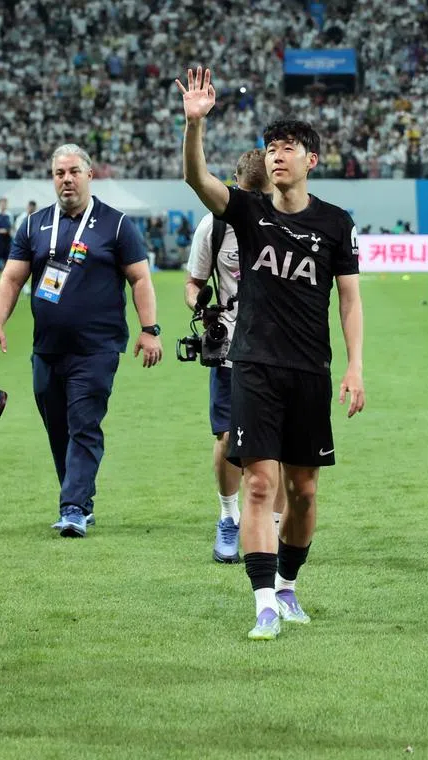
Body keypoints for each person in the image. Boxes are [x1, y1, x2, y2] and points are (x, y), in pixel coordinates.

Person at [177, 67, 366, 640]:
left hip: (310, 370)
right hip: (252, 365)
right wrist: (195, 126)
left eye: (289, 149)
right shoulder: (246, 212)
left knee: (304, 492)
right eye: (272, 148)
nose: (277, 156)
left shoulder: (335, 224)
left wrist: (356, 366)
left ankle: (287, 586)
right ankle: (262, 602)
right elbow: (198, 181)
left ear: (312, 159)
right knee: (260, 485)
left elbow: (350, 301)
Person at [0, 144, 162, 537]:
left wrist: (150, 330)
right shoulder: (33, 225)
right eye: (59, 173)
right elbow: (11, 279)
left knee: (84, 424)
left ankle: (74, 507)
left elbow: (140, 279)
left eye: (73, 171)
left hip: (96, 349)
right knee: (58, 428)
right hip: (46, 349)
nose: (66, 179)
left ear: (89, 174)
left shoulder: (116, 225)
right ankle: (79, 496)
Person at [184, 148, 285, 563]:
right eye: (246, 192)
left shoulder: (288, 223)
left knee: (280, 445)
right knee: (227, 437)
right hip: (229, 348)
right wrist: (199, 306)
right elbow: (192, 283)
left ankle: (273, 529)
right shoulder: (214, 226)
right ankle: (228, 516)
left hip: (281, 351)